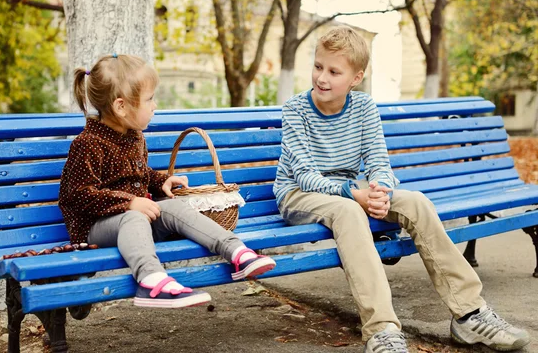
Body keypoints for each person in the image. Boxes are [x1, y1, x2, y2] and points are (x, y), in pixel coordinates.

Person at [273, 26, 530, 352]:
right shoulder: (296, 110)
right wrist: (356, 195)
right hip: (300, 193)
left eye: (334, 71)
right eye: (318, 66)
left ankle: (470, 314)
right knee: (350, 211)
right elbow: (305, 175)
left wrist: (379, 190)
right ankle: (381, 331)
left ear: (356, 78)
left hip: (353, 190)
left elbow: (379, 161)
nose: (322, 77)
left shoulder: (363, 108)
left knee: (416, 202)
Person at [59, 54, 276, 309]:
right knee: (134, 216)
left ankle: (237, 253)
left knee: (174, 208)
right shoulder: (88, 144)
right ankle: (150, 281)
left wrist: (160, 181)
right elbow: (78, 195)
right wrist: (130, 203)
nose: (154, 105)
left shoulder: (134, 136)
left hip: (136, 222)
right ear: (121, 107)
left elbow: (138, 174)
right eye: (149, 99)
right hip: (96, 228)